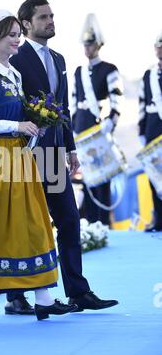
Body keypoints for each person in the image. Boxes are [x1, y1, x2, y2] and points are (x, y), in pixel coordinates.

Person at [0, 9, 77, 321]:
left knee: (31, 222)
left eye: (17, 35)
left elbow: (16, 117)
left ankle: (43, 295)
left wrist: (34, 126)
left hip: (19, 158)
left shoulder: (13, 74)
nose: (16, 40)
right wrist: (17, 125)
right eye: (11, 35)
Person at [9, 0, 118, 313]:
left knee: (70, 220)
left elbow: (63, 110)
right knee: (26, 225)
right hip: (27, 156)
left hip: (55, 156)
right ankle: (17, 296)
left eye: (52, 16)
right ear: (26, 23)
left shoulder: (58, 59)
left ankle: (78, 291)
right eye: (44, 17)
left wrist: (70, 148)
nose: (51, 21)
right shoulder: (15, 56)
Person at [71, 13, 124, 226]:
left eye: (90, 44)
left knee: (103, 177)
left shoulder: (109, 69)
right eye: (85, 44)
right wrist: (73, 127)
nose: (87, 48)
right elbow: (74, 102)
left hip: (99, 127)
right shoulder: (78, 72)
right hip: (82, 127)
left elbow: (116, 99)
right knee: (87, 177)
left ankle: (104, 222)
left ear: (98, 45)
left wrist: (111, 122)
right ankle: (91, 222)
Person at [138, 32, 162, 232]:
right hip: (153, 128)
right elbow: (142, 104)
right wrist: (141, 130)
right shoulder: (149, 75)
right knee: (155, 175)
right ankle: (159, 219)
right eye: (158, 46)